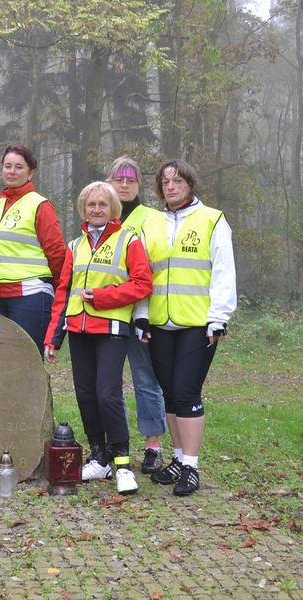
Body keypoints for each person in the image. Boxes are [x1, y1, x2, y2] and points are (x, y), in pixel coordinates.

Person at [135, 159, 236, 496]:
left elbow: (223, 271)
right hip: (160, 322)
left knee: (186, 390)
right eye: (166, 182)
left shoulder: (212, 219)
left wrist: (218, 317)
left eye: (178, 181)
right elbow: (143, 274)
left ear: (190, 183)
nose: (172, 187)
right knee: (170, 393)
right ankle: (177, 459)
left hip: (198, 323)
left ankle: (191, 466)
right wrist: (142, 315)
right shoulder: (151, 223)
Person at [44, 182, 153, 494]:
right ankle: (99, 458)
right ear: (83, 208)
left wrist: (103, 297)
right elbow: (63, 292)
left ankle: (122, 464)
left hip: (112, 329)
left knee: (108, 395)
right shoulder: (74, 246)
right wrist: (54, 336)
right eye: (91, 204)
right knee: (86, 396)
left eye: (103, 204)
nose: (96, 209)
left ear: (113, 209)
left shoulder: (128, 240)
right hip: (79, 330)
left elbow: (143, 284)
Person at [105, 156, 167, 474]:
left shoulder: (151, 219)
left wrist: (141, 313)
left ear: (138, 184)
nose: (125, 184)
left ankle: (153, 447)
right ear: (109, 182)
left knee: (146, 381)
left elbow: (148, 273)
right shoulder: (100, 214)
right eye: (119, 179)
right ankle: (113, 446)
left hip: (139, 315)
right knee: (108, 385)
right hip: (107, 315)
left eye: (130, 180)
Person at [0, 144, 65, 350]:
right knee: (0, 364)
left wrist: (60, 290)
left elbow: (56, 253)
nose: (12, 171)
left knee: (28, 364)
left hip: (29, 295)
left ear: (30, 173)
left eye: (19, 167)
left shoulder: (40, 205)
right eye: (7, 166)